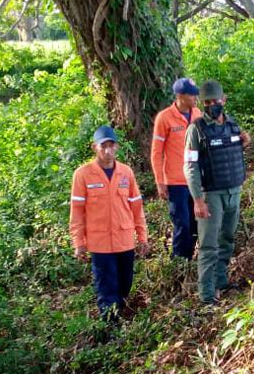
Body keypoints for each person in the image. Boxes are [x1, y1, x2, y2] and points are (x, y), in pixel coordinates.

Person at [70, 125, 149, 321]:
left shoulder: (126, 172)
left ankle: (121, 320)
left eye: (111, 146)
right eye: (103, 146)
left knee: (125, 285)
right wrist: (79, 243)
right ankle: (110, 330)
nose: (108, 151)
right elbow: (77, 212)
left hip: (124, 241)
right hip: (100, 244)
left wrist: (142, 237)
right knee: (106, 289)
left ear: (117, 147)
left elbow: (136, 207)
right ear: (94, 147)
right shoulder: (83, 174)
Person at [183, 80, 250, 305]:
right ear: (202, 104)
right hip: (211, 194)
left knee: (227, 239)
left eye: (216, 101)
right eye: (208, 102)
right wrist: (197, 199)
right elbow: (190, 166)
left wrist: (245, 141)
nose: (213, 105)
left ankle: (221, 280)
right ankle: (207, 293)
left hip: (234, 190)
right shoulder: (196, 130)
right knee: (209, 245)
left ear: (224, 100)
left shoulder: (233, 125)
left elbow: (234, 150)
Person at [151, 78, 202, 260]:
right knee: (182, 225)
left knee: (197, 224)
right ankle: (179, 264)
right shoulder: (164, 118)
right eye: (191, 94)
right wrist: (160, 181)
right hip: (176, 182)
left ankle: (190, 262)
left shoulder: (197, 114)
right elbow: (156, 152)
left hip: (196, 180)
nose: (195, 97)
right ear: (180, 96)